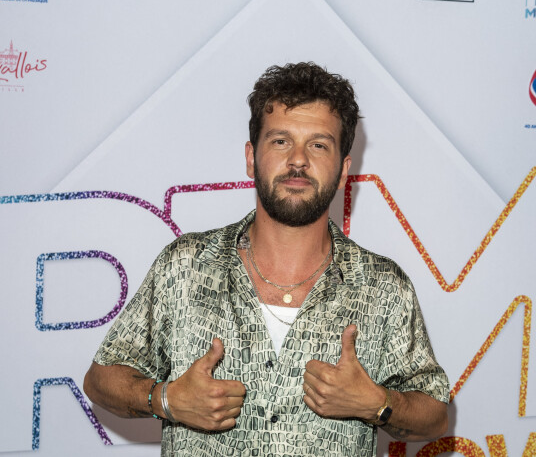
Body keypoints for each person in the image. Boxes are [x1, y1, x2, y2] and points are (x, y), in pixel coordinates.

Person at [84, 62, 449, 456]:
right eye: (280, 141)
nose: (297, 160)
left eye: (319, 144)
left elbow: (434, 414)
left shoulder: (383, 286)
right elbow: (102, 379)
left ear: (344, 170)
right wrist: (165, 399)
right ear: (250, 157)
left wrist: (376, 403)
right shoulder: (185, 265)